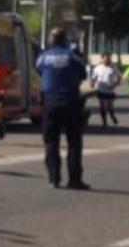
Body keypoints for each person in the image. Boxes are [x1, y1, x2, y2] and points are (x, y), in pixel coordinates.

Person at [36, 27, 89, 190]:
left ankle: (54, 178)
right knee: (74, 141)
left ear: (51, 39)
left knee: (51, 141)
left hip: (50, 102)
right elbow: (83, 74)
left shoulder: (43, 57)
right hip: (70, 100)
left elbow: (39, 71)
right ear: (65, 39)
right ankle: (74, 179)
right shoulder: (72, 57)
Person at [89, 53, 120, 127]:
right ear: (102, 59)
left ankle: (112, 116)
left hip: (110, 90)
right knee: (103, 107)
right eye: (106, 58)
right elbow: (93, 77)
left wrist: (116, 83)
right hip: (101, 90)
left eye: (109, 59)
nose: (107, 60)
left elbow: (119, 76)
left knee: (110, 107)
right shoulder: (97, 68)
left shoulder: (113, 67)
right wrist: (92, 83)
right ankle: (104, 122)